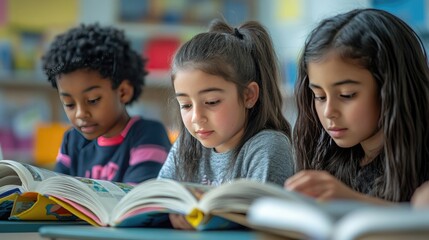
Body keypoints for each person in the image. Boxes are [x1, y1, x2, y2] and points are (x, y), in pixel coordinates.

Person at [158, 19, 294, 229]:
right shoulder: (186, 145)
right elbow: (157, 201)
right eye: (185, 105)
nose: (196, 117)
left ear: (249, 95)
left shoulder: (268, 147)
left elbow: (264, 224)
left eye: (211, 102)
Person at [285, 8, 429, 204]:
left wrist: (353, 201)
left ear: (390, 88)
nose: (329, 112)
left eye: (347, 95)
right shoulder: (333, 162)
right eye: (319, 96)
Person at [41, 23, 172, 184]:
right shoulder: (72, 141)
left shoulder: (148, 134)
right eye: (69, 104)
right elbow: (57, 192)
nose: (81, 113)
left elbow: (137, 200)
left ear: (123, 92)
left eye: (93, 100)